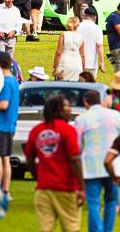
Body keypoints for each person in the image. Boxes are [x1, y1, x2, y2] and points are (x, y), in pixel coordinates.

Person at [25, 95, 86, 232]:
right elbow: (75, 160)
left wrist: (38, 177)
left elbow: (29, 158)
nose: (70, 111)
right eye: (67, 108)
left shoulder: (37, 130)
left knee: (45, 228)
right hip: (67, 189)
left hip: (43, 189)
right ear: (59, 110)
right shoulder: (68, 130)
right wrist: (82, 188)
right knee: (71, 228)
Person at [74, 90, 120, 232]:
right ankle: (107, 230)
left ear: (86, 103)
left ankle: (97, 230)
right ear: (100, 101)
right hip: (112, 165)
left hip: (91, 166)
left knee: (93, 203)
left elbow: (77, 145)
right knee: (111, 201)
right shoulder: (114, 115)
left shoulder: (82, 119)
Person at [0, 52, 20, 197]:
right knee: (5, 158)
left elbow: (3, 104)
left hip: (0, 125)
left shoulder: (5, 82)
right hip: (9, 125)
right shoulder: (14, 81)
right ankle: (5, 190)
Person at [77, 6, 104, 78]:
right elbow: (99, 45)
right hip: (92, 63)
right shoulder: (98, 28)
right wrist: (102, 62)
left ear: (84, 15)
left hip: (78, 62)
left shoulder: (78, 26)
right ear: (95, 17)